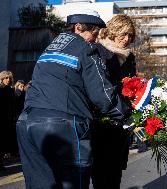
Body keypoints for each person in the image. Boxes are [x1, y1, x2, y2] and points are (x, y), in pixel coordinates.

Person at [16, 10, 131, 189]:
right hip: (63, 125)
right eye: (94, 33)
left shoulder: (50, 47)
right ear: (78, 27)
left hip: (27, 123)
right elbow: (102, 96)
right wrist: (127, 114)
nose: (95, 39)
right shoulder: (86, 49)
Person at [91, 14, 137, 189]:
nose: (126, 40)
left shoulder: (129, 57)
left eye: (130, 36)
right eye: (123, 34)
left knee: (116, 172)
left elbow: (133, 84)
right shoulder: (98, 50)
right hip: (100, 120)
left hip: (121, 121)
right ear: (112, 32)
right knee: (101, 174)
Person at [0, 71, 15, 171]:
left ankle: (0, 163)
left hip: (7, 119)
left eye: (9, 78)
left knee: (3, 142)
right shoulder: (1, 89)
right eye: (6, 78)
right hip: (1, 118)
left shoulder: (10, 90)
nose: (8, 80)